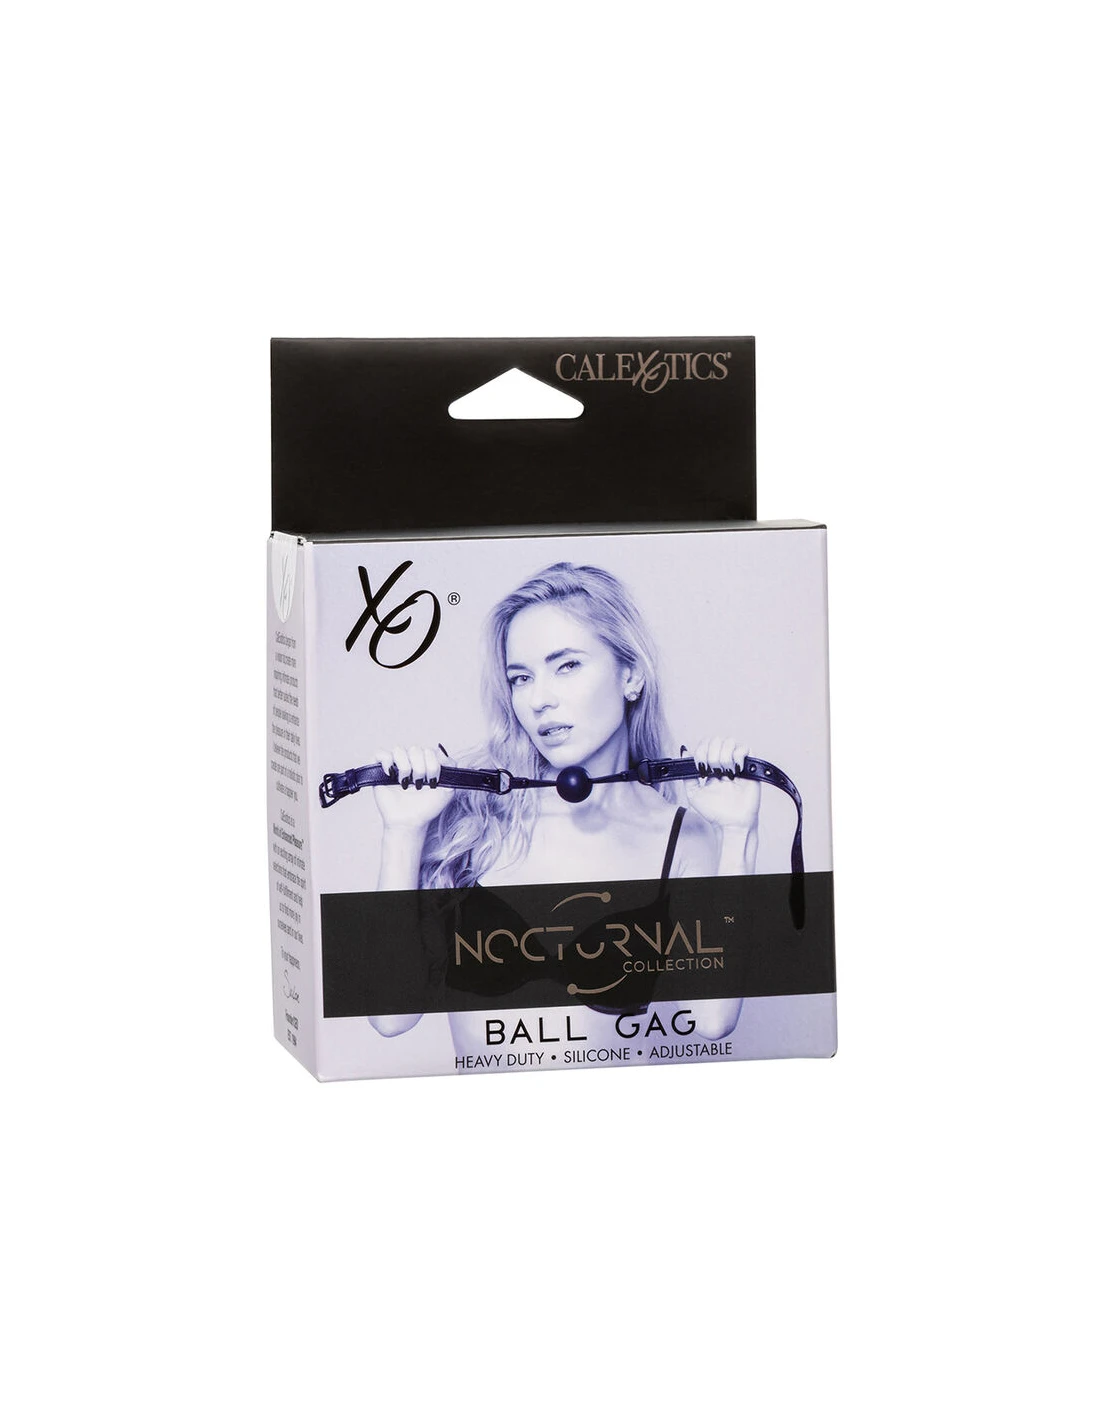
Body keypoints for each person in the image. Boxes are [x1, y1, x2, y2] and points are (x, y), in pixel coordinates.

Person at [367, 561, 761, 1048]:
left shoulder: (682, 836)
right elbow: (390, 1017)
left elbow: (713, 1018)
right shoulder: (473, 819)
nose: (539, 700)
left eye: (567, 665)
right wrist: (402, 831)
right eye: (521, 678)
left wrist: (739, 833)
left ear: (631, 675)